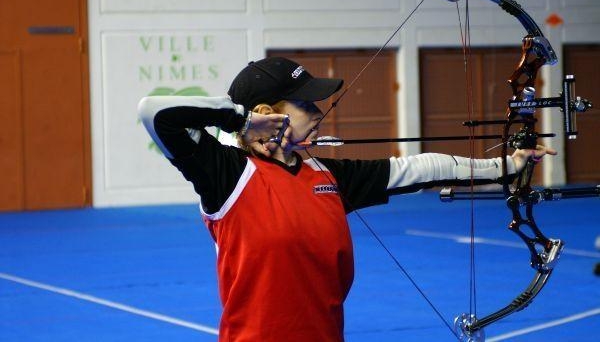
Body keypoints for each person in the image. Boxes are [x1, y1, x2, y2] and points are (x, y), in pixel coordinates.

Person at [137, 57, 556, 342]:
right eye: (306, 104)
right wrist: (239, 118)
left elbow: (420, 168)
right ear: (267, 110)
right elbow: (154, 113)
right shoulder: (227, 174)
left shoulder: (328, 176)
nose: (320, 112)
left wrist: (504, 166)